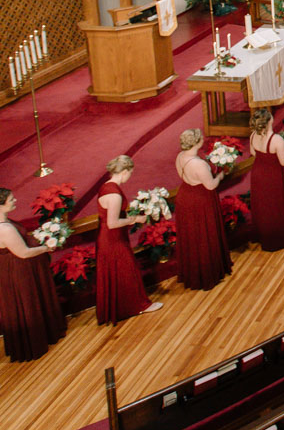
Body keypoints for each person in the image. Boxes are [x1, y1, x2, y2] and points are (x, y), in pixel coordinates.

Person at [0, 187, 65, 360]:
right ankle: (33, 342)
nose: (15, 201)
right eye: (11, 200)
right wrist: (46, 248)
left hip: (11, 266)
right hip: (18, 269)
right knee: (27, 301)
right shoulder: (4, 229)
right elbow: (23, 253)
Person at [96, 155, 163, 323]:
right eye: (130, 173)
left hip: (106, 237)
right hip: (113, 240)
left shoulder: (106, 186)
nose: (130, 176)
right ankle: (139, 305)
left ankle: (121, 308)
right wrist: (135, 219)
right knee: (127, 271)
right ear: (124, 171)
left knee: (119, 272)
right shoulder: (115, 195)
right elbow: (113, 223)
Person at [173, 129, 231, 290]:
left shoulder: (179, 156)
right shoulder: (199, 164)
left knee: (192, 237)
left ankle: (193, 273)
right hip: (200, 200)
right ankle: (208, 273)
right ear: (197, 142)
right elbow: (210, 185)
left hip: (185, 196)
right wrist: (220, 176)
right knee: (205, 235)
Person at [248, 109, 284, 251]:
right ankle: (276, 238)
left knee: (262, 205)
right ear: (269, 121)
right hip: (272, 175)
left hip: (257, 173)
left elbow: (253, 153)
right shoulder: (276, 140)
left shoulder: (252, 136)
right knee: (274, 205)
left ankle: (263, 235)